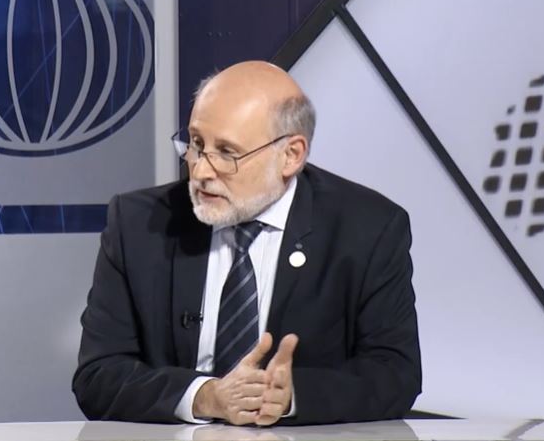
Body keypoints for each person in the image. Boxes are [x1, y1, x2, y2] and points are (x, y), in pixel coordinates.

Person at [72, 61, 421, 425]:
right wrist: (205, 396)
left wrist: (290, 396)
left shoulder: (367, 229)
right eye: (196, 144)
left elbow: (395, 373)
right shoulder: (139, 224)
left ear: (291, 155)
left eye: (227, 152)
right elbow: (98, 375)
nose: (200, 171)